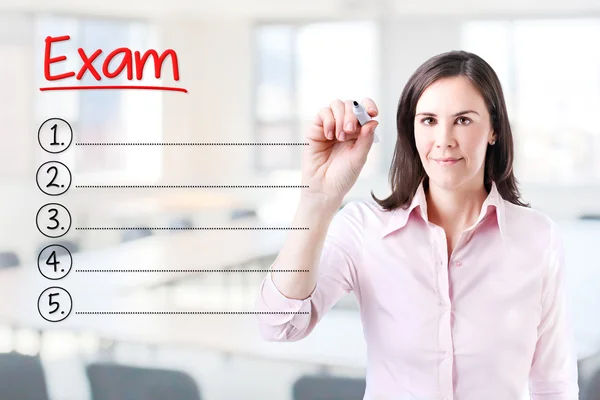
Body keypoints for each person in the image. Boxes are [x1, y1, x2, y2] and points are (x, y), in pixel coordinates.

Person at [254, 50, 579, 399]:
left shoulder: (537, 238)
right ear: (412, 129)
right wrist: (317, 200)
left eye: (464, 120)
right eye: (428, 120)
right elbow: (279, 325)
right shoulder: (365, 229)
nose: (444, 139)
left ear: (495, 129)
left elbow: (553, 384)